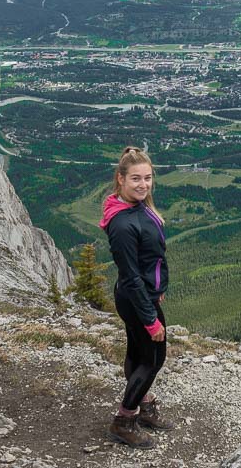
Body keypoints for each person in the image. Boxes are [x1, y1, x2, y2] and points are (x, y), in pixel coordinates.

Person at [99, 146, 173, 449]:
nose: (143, 184)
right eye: (135, 179)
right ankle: (124, 420)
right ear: (120, 179)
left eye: (148, 178)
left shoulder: (136, 207)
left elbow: (148, 260)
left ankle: (142, 405)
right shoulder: (122, 224)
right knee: (153, 359)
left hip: (139, 296)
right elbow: (130, 275)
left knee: (138, 354)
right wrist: (151, 318)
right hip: (136, 299)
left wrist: (157, 288)